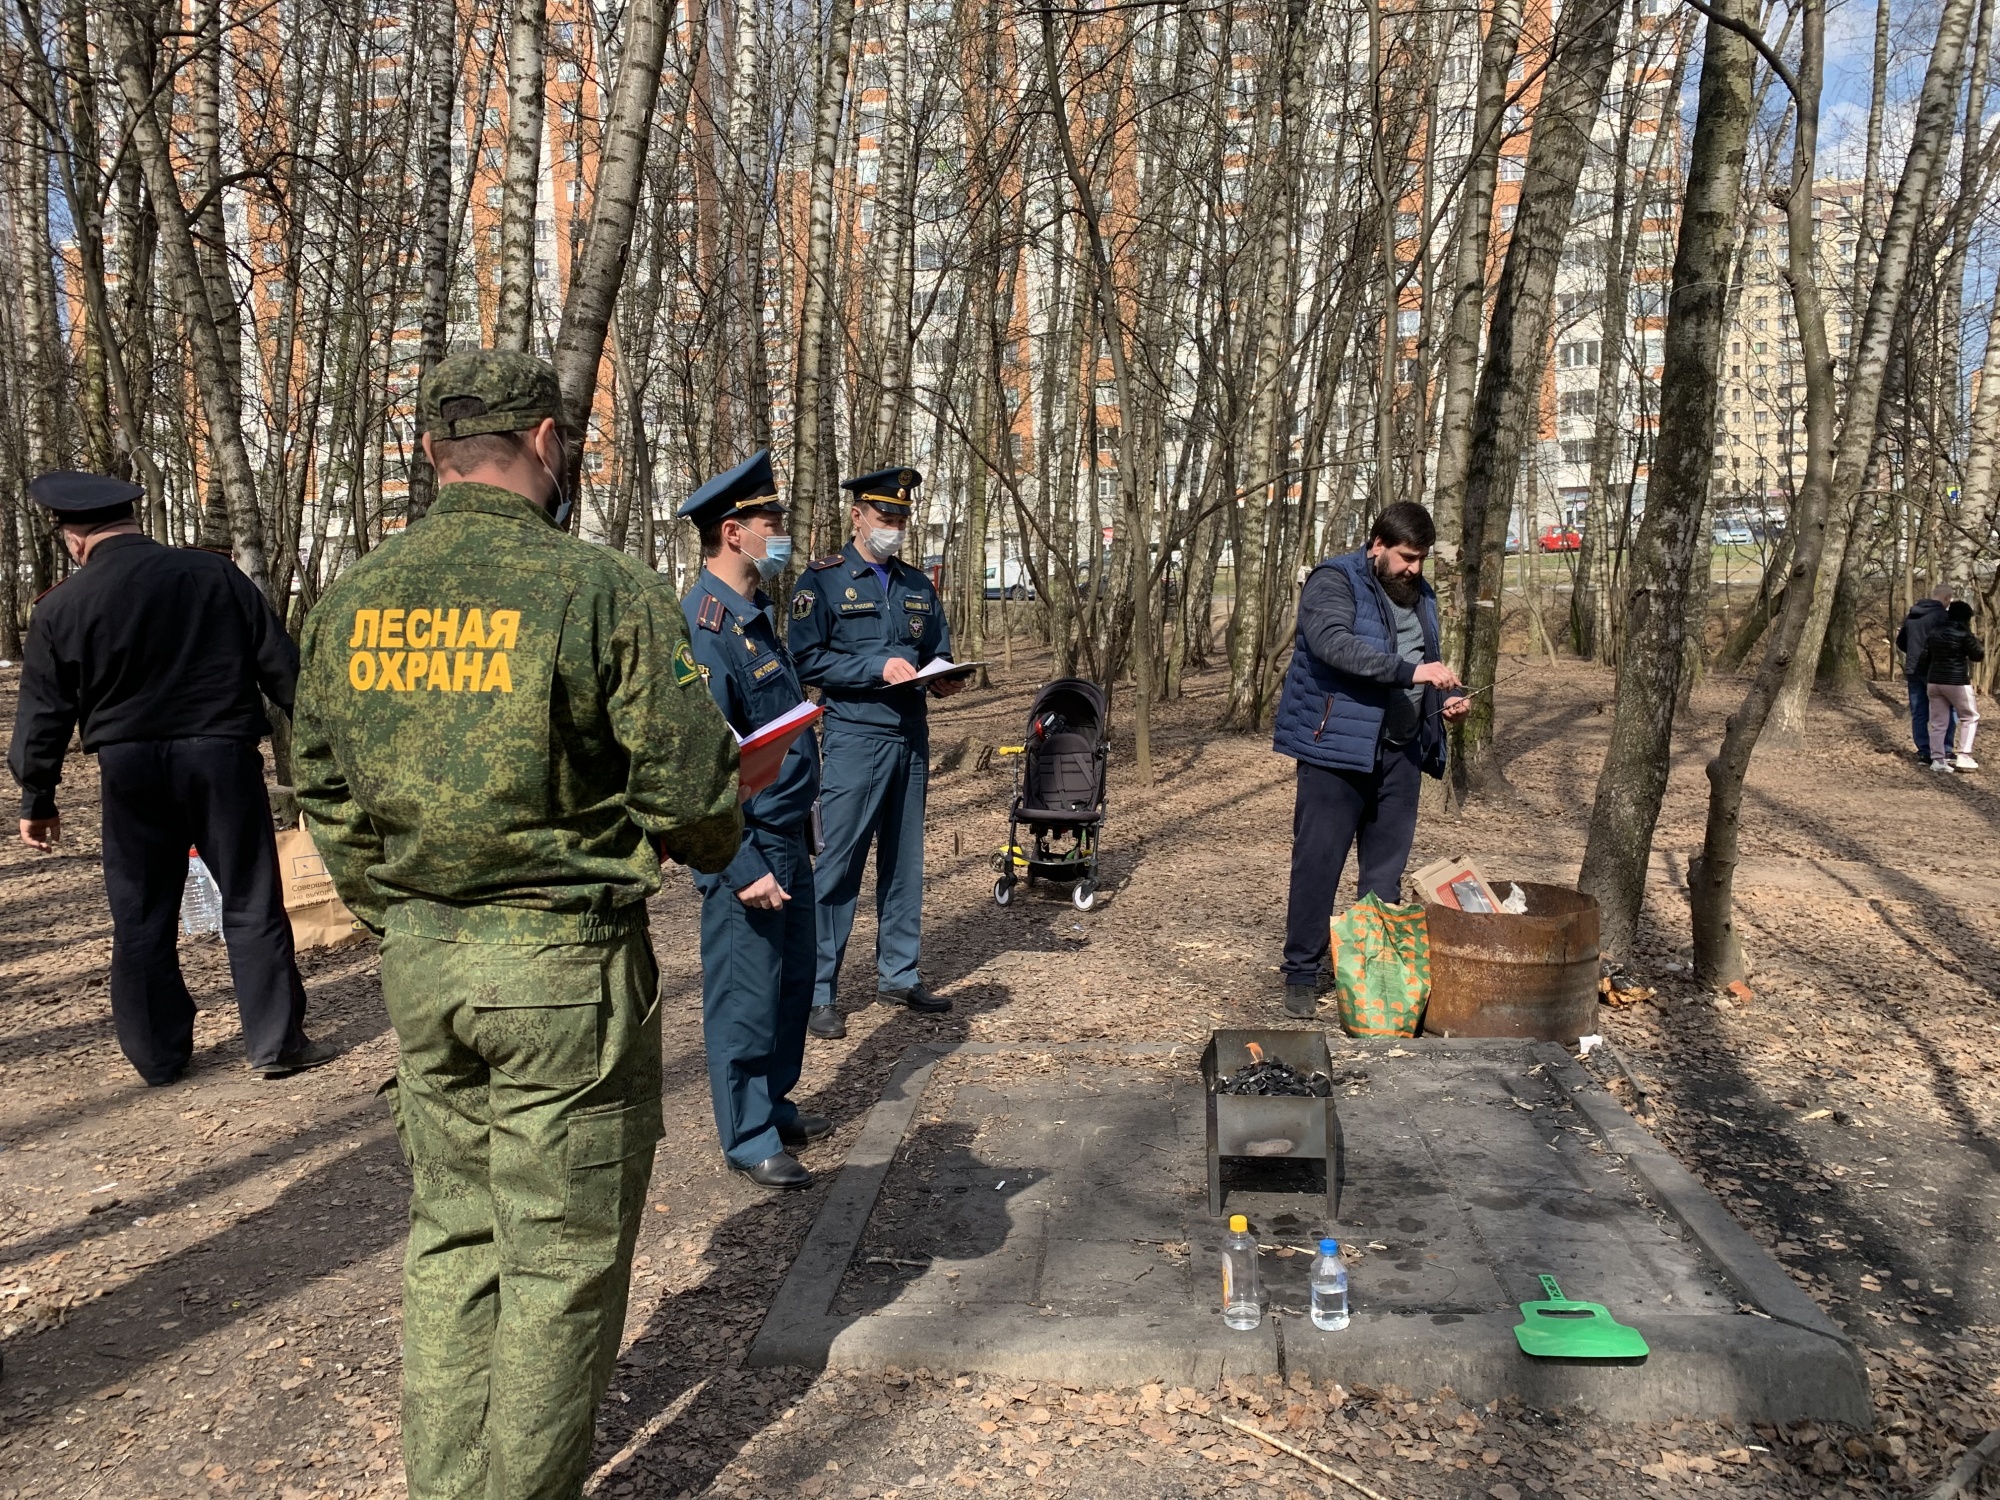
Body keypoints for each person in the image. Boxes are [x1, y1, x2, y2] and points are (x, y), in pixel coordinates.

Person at [291, 351, 741, 1500]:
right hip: (556, 967)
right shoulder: (595, 589)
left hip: (424, 959)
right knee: (557, 1262)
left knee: (452, 1240)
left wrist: (397, 910)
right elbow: (689, 793)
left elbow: (321, 784)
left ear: (434, 451)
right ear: (546, 439)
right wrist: (721, 839)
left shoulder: (351, 599)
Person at [8, 470, 332, 1085]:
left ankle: (158, 1058)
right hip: (221, 759)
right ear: (136, 518)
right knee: (249, 897)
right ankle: (276, 1045)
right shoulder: (215, 575)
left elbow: (45, 711)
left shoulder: (61, 607)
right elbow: (283, 670)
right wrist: (327, 748)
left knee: (140, 911)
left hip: (129, 771)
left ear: (72, 538)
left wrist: (37, 794)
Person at [679, 451, 831, 1190]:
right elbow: (699, 771)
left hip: (788, 830)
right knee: (745, 992)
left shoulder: (755, 617)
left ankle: (773, 1100)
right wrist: (739, 867)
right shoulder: (704, 629)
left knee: (792, 982)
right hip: (747, 843)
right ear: (733, 532)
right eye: (772, 521)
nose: (784, 533)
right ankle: (747, 1133)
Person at [1272, 501, 1470, 1018]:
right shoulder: (1333, 581)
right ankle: (1300, 972)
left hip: (1401, 751)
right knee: (1318, 865)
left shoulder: (1420, 593)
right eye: (1407, 557)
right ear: (1377, 545)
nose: (1415, 569)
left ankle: (1366, 975)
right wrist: (1413, 674)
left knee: (1384, 876)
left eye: (1422, 558)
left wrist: (1445, 696)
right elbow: (1334, 645)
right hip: (1335, 749)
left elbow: (1425, 658)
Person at [789, 466, 964, 1040]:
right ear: (857, 516)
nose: (894, 527)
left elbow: (936, 648)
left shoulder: (917, 584)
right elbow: (806, 661)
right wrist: (872, 666)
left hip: (910, 734)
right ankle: (819, 992)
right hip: (855, 736)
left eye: (901, 519)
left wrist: (944, 677)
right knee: (839, 863)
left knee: (904, 862)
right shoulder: (823, 582)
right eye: (885, 517)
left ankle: (898, 973)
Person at [1916, 599, 1983, 774]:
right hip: (1956, 681)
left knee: (1938, 723)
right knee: (1970, 717)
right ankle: (1964, 755)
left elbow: (1924, 658)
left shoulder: (1934, 632)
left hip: (1934, 682)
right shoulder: (1963, 633)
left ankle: (1937, 760)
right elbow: (1977, 655)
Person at [1897, 584, 1957, 763]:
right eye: (1950, 599)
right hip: (1936, 669)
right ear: (1946, 598)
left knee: (1919, 711)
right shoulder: (1943, 616)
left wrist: (1914, 654)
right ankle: (1945, 749)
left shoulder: (1912, 616)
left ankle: (1924, 751)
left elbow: (1900, 642)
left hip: (1914, 668)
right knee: (1947, 708)